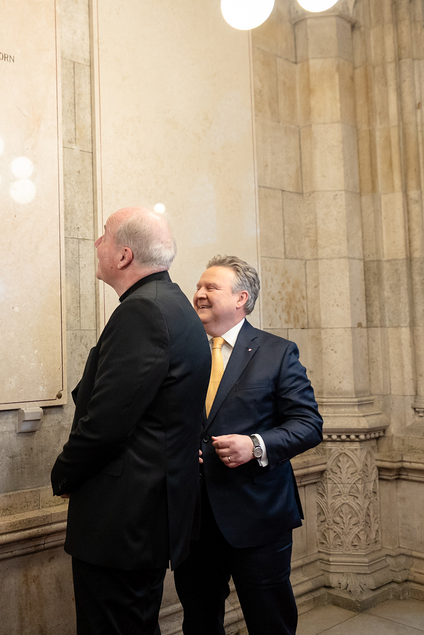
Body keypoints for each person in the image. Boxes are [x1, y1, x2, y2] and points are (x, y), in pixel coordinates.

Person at [51, 207, 211, 635]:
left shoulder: (143, 312)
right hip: (148, 513)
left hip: (123, 519)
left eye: (104, 234)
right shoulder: (173, 304)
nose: (96, 243)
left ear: (124, 256)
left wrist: (64, 474)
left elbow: (105, 423)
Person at [173, 255, 323, 635]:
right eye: (199, 286)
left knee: (270, 622)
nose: (199, 293)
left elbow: (308, 424)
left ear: (241, 298)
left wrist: (255, 445)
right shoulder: (182, 351)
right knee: (199, 621)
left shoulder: (277, 352)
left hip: (258, 518)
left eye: (211, 287)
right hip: (194, 520)